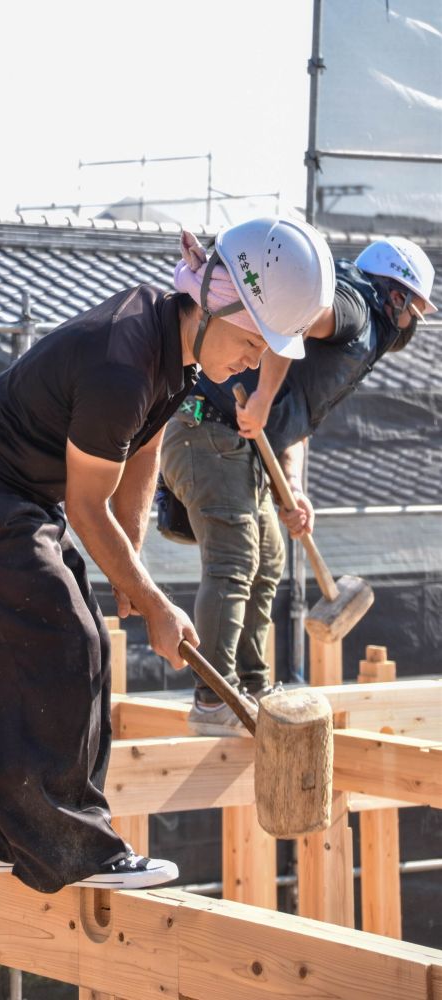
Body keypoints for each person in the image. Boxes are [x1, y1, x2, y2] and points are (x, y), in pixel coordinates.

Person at [0, 215, 334, 894]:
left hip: (4, 504)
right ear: (214, 304)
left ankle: (17, 839)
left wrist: (130, 575)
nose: (254, 361)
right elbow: (85, 507)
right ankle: (74, 850)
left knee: (82, 647)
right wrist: (158, 603)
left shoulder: (170, 354)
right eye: (252, 342)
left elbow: (141, 464)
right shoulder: (121, 360)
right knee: (64, 644)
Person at [159, 234, 436, 736]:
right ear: (392, 293)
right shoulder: (354, 306)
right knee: (235, 559)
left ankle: (254, 688)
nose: (413, 321)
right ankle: (213, 699)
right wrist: (262, 395)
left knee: (268, 561)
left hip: (238, 444)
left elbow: (297, 417)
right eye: (414, 308)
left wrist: (293, 485)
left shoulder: (361, 328)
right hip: (207, 430)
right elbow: (295, 317)